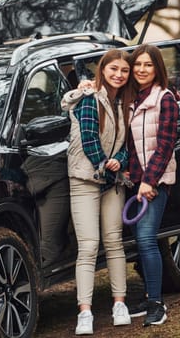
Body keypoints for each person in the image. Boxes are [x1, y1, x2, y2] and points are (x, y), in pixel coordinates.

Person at [61, 49, 132, 335]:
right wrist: (106, 164)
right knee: (89, 246)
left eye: (124, 71)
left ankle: (119, 304)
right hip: (86, 179)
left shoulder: (125, 103)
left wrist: (121, 161)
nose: (119, 74)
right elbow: (89, 138)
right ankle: (85, 312)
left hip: (112, 181)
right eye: (113, 69)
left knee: (114, 242)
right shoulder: (90, 100)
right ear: (102, 70)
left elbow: (129, 145)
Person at [124, 44, 179, 326]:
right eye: (138, 65)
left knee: (146, 239)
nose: (142, 70)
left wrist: (149, 180)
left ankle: (157, 304)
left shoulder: (165, 99)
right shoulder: (131, 99)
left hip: (156, 182)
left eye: (148, 65)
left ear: (157, 68)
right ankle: (149, 295)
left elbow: (165, 144)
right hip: (135, 184)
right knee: (140, 241)